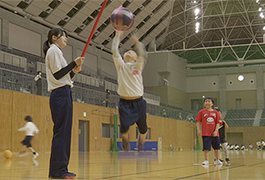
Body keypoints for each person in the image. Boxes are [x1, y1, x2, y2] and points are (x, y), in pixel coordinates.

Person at [44, 28, 84, 179]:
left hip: (64, 91)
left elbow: (64, 76)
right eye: (63, 36)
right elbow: (57, 74)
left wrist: (74, 71)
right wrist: (74, 62)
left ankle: (62, 169)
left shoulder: (58, 52)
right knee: (61, 132)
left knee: (65, 132)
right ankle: (57, 171)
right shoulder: (53, 51)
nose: (66, 38)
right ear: (54, 37)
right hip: (60, 94)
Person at [112, 30, 148, 151]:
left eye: (132, 52)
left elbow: (143, 55)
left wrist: (137, 43)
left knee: (143, 128)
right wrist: (117, 37)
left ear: (135, 59)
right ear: (123, 58)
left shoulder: (137, 66)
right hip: (125, 102)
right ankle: (125, 139)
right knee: (124, 127)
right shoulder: (121, 66)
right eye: (127, 51)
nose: (129, 51)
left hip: (139, 102)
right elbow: (114, 51)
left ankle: (141, 141)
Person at [196, 96, 223, 166]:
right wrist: (198, 130)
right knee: (206, 148)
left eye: (209, 101)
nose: (207, 103)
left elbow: (218, 122)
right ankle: (206, 160)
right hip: (206, 133)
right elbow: (198, 121)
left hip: (215, 134)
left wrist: (216, 130)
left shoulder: (216, 113)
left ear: (212, 103)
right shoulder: (201, 112)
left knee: (217, 148)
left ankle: (217, 160)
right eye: (206, 101)